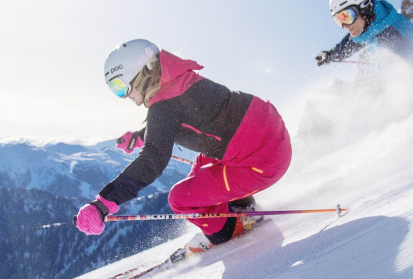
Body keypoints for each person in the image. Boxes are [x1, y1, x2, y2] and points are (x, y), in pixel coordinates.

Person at [73, 39, 292, 253]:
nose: (125, 95)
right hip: (270, 134)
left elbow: (152, 160)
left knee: (181, 199)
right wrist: (142, 136)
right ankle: (242, 208)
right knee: (199, 167)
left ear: (140, 75)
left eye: (120, 86)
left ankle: (232, 229)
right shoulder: (180, 79)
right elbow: (187, 118)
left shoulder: (164, 107)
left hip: (263, 161)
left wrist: (103, 203)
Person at [316, 0, 413, 82]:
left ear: (364, 7)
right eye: (339, 19)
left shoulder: (392, 33)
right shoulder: (370, 27)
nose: (346, 25)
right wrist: (331, 55)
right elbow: (351, 42)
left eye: (348, 16)